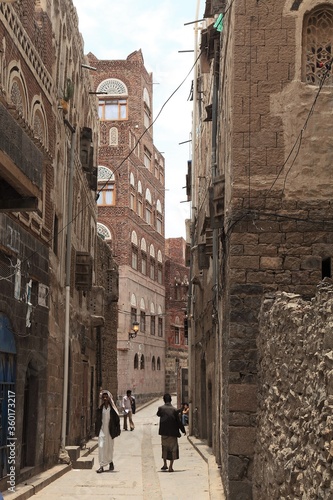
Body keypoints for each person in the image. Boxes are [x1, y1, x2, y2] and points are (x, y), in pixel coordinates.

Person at [157, 393, 186, 473]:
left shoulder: (161, 408)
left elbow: (158, 414)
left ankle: (165, 464)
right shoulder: (174, 410)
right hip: (173, 433)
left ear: (164, 400)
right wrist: (183, 430)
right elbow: (178, 422)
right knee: (173, 449)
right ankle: (170, 467)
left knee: (165, 448)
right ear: (171, 400)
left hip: (164, 432)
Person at [95, 390, 121, 473]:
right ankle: (101, 466)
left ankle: (110, 461)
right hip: (102, 431)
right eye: (104, 397)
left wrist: (117, 430)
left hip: (110, 432)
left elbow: (117, 420)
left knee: (109, 448)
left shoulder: (113, 409)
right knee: (101, 447)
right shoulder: (100, 408)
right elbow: (97, 420)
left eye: (106, 397)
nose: (105, 398)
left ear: (109, 398)